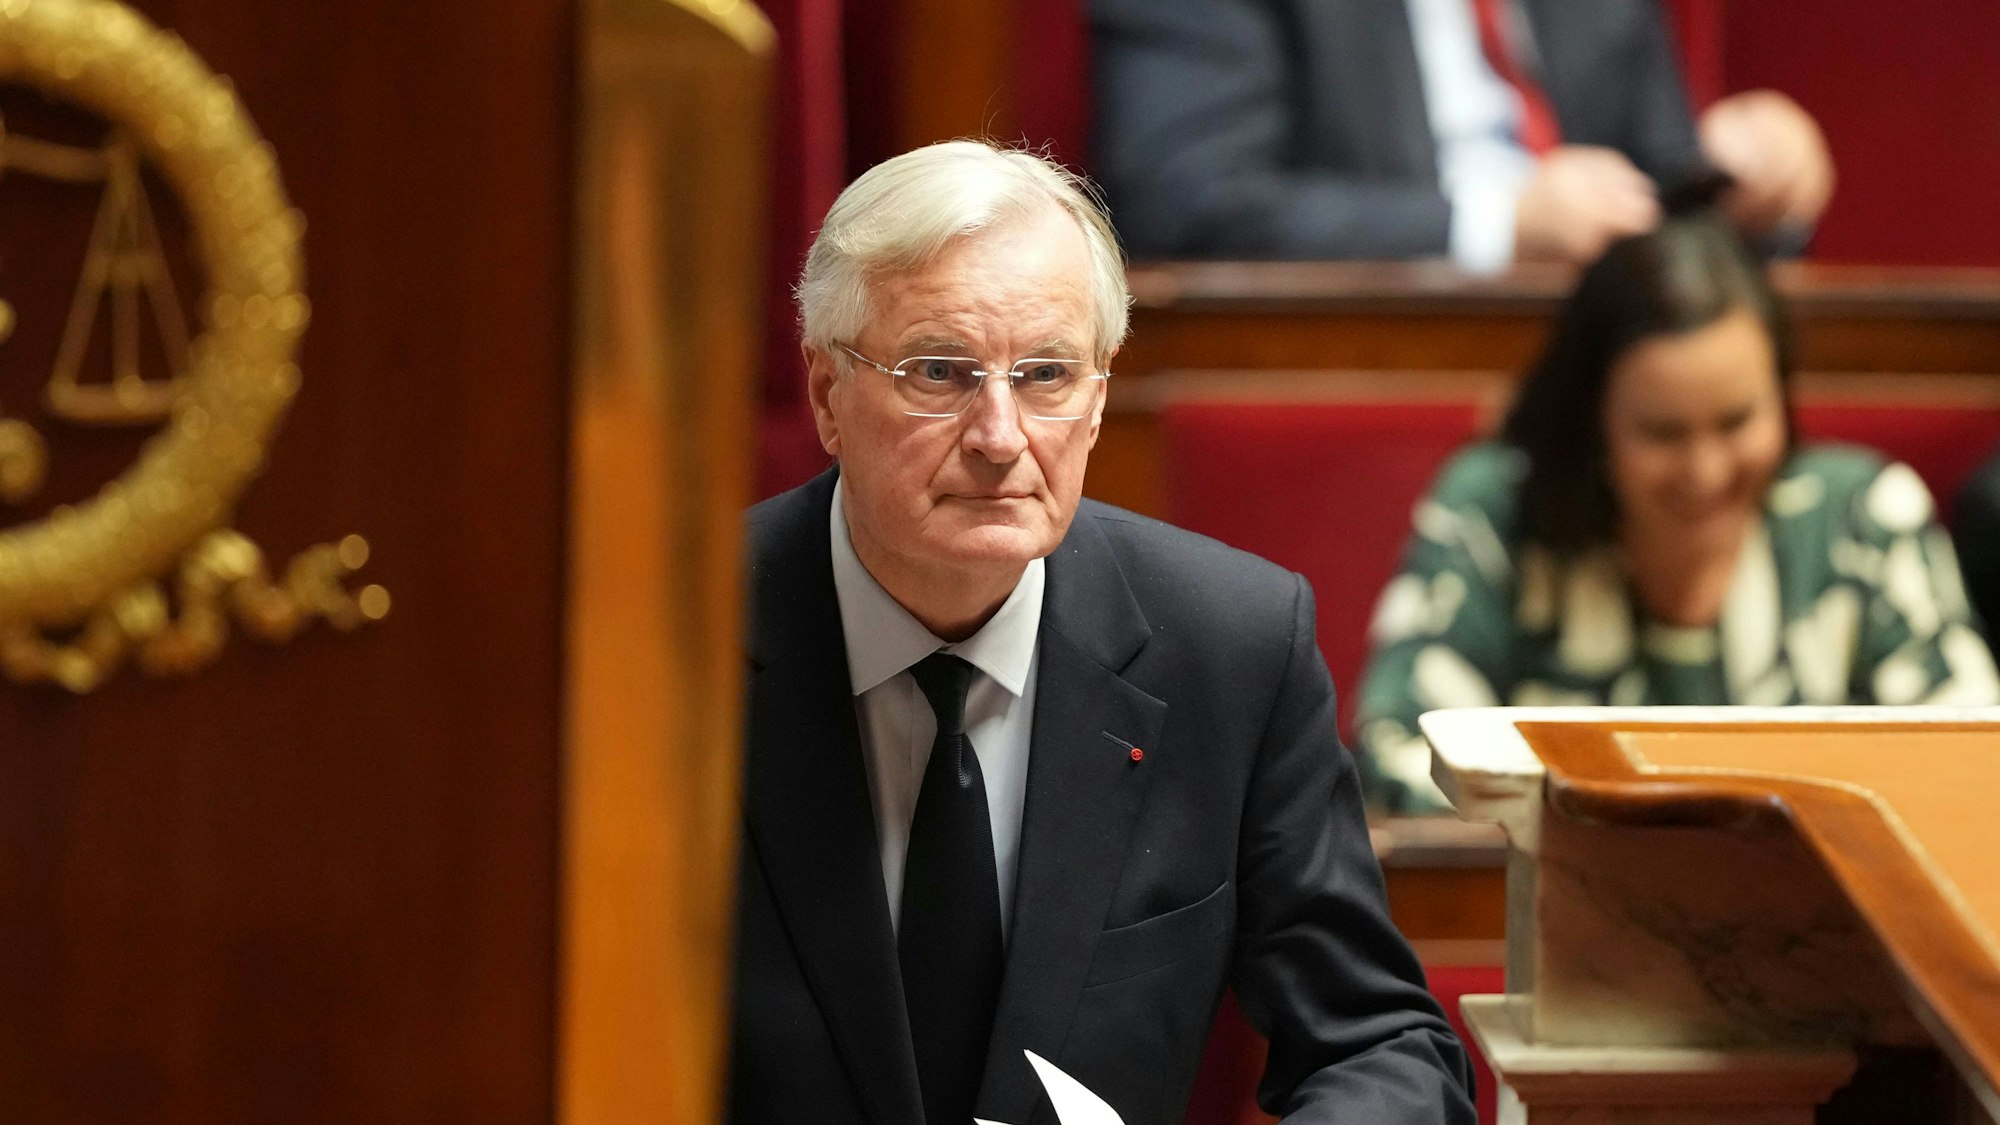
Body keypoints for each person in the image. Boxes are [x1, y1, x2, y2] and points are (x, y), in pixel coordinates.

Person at [729, 140, 1474, 1124]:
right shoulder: (670, 648)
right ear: (827, 393)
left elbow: (1379, 1043)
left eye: (1045, 374)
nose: (1000, 437)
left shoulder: (1229, 649)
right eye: (939, 372)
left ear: (1096, 400)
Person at [1354, 215, 2000, 813]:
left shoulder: (1864, 515)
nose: (1705, 472)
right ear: (1594, 420)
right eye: (1663, 433)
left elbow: (1973, 769)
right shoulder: (1496, 510)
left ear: (1782, 396)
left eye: (1736, 422)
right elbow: (1394, 758)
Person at [1089, 0, 1834, 270]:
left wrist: (1750, 186)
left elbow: (1662, 186)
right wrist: (1500, 226)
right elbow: (1188, 201)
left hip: (1614, 374)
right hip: (1366, 369)